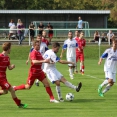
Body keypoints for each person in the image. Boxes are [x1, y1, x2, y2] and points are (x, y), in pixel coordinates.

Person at [0, 42, 27, 108]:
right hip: (1, 78)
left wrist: (12, 66)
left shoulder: (7, 58)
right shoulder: (0, 56)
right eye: (10, 48)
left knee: (5, 91)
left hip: (4, 77)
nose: (11, 50)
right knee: (12, 89)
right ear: (8, 49)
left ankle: (19, 104)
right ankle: (19, 104)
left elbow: (9, 68)